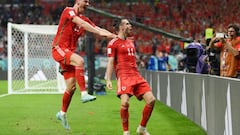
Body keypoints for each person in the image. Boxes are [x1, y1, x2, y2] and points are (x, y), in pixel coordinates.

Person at [52, 0, 116, 130]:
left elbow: (97, 28)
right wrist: (98, 32)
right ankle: (84, 94)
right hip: (58, 49)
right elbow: (81, 23)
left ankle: (62, 113)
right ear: (77, 1)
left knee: (71, 87)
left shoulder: (84, 19)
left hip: (69, 52)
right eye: (85, 1)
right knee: (80, 61)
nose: (87, 4)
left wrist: (112, 36)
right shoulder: (68, 11)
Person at [106, 18, 156, 135]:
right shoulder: (113, 43)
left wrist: (138, 61)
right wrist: (108, 79)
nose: (131, 26)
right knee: (125, 103)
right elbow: (110, 61)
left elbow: (131, 56)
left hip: (136, 75)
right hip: (124, 76)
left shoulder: (131, 41)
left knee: (151, 100)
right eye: (128, 24)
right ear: (121, 27)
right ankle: (126, 132)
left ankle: (142, 128)